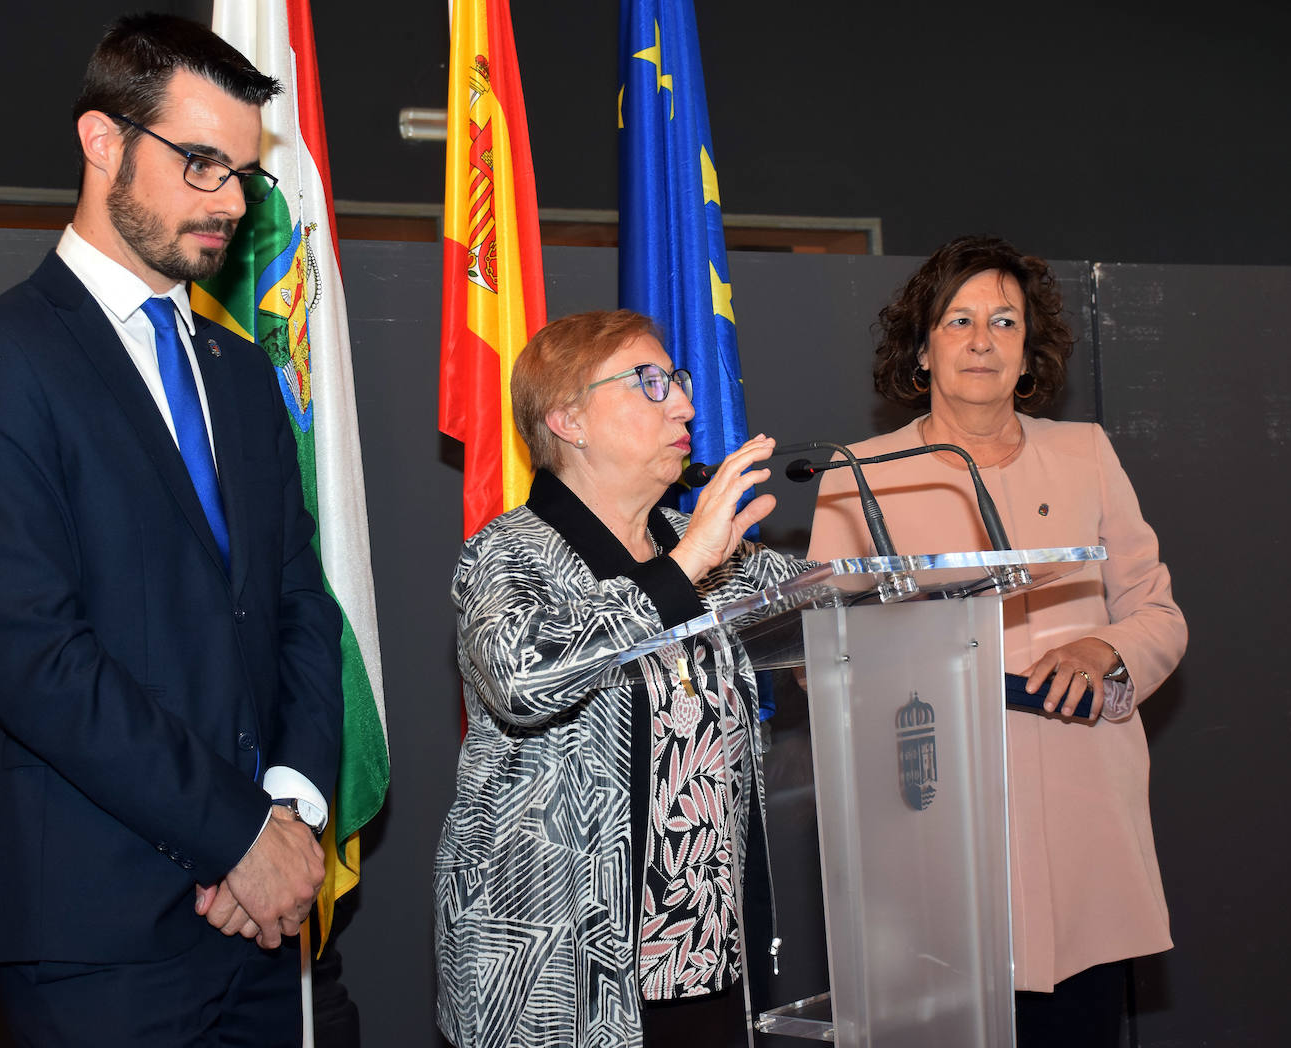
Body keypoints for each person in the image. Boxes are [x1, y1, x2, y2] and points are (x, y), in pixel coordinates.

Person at [0, 14, 343, 1046]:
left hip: (265, 925)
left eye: (243, 175)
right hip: (97, 939)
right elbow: (39, 659)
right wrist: (237, 832)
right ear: (102, 140)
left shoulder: (244, 374)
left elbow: (300, 607)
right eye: (201, 164)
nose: (231, 203)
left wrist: (288, 812)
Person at [807, 235, 1187, 1045]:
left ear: (1027, 351)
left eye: (1004, 322)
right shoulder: (859, 473)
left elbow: (1158, 614)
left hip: (1083, 808)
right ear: (922, 350)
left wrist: (1101, 651)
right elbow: (821, 657)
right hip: (932, 817)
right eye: (958, 321)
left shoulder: (1085, 454)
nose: (981, 340)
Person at [434, 310, 809, 1048]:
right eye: (650, 383)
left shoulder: (700, 547)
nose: (685, 404)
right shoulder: (508, 553)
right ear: (568, 419)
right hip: (553, 973)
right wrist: (684, 569)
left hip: (703, 958)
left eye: (678, 381)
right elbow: (522, 677)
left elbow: (830, 602)